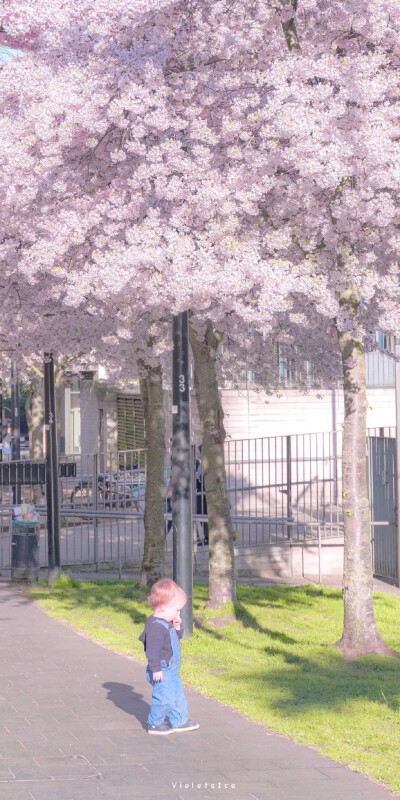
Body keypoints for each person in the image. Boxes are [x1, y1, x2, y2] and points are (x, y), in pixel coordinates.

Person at [139, 577, 199, 735]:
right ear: (163, 607)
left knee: (177, 695)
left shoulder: (166, 621)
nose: (178, 613)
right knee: (163, 698)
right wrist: (156, 669)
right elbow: (152, 651)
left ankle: (179, 720)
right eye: (176, 610)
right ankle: (155, 723)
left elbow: (174, 638)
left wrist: (177, 627)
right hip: (162, 670)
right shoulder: (155, 627)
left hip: (172, 669)